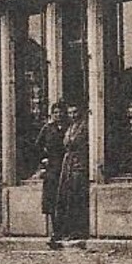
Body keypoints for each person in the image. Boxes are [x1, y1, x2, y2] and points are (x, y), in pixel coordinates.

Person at [51, 103, 90, 246]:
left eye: (75, 112)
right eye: (70, 113)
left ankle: (78, 231)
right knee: (66, 197)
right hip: (67, 165)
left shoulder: (84, 127)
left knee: (76, 197)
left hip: (79, 164)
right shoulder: (69, 128)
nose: (72, 115)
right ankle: (67, 230)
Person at [32, 102, 67, 229]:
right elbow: (37, 147)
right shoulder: (47, 129)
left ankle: (65, 228)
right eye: (56, 113)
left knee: (64, 197)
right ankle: (55, 229)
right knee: (52, 197)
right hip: (52, 167)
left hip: (65, 165)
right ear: (52, 114)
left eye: (61, 112)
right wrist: (43, 160)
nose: (58, 115)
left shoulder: (69, 128)